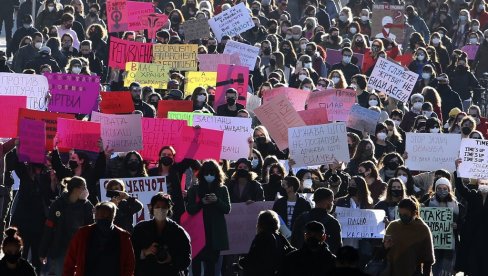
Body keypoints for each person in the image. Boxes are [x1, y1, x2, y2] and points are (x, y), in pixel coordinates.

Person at [39, 177, 94, 276]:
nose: (86, 190)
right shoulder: (58, 204)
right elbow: (49, 228)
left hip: (79, 250)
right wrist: (43, 251)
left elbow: (91, 227)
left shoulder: (87, 206)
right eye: (83, 187)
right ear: (75, 189)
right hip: (60, 250)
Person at [63, 201, 135, 276]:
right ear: (113, 216)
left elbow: (69, 262)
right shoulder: (123, 236)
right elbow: (130, 265)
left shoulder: (83, 233)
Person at [187, 160, 231, 276]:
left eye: (212, 173)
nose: (209, 176)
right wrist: (202, 202)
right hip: (198, 232)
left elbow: (227, 209)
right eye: (206, 173)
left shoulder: (222, 189)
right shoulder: (194, 189)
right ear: (202, 174)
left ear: (217, 174)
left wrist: (216, 201)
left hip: (214, 233)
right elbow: (190, 210)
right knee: (196, 263)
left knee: (211, 265)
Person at [132, 193, 191, 276]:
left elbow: (186, 260)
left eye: (164, 207)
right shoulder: (140, 229)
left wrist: (171, 258)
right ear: (151, 208)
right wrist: (145, 252)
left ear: (169, 209)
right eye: (157, 207)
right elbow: (130, 255)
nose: (160, 209)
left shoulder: (178, 231)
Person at [383, 197, 435, 276]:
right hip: (392, 271)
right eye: (400, 214)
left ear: (414, 213)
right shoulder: (393, 226)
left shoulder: (422, 229)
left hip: (414, 272)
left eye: (405, 215)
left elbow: (428, 259)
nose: (402, 217)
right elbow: (383, 253)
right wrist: (385, 247)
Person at [148, 146, 201, 223]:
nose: (166, 157)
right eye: (164, 154)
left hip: (175, 210)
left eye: (169, 155)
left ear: (173, 157)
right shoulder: (151, 172)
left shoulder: (177, 169)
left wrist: (194, 140)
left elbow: (190, 158)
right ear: (159, 157)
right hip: (157, 209)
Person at [454, 159, 488, 275]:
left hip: (486, 241)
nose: (484, 185)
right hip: (472, 239)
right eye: (482, 183)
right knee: (472, 268)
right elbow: (460, 188)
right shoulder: (473, 195)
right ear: (478, 183)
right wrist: (458, 169)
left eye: (486, 183)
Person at [422, 177, 461, 276]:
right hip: (433, 243)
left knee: (446, 270)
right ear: (435, 189)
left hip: (449, 243)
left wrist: (457, 225)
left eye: (445, 189)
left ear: (449, 190)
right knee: (435, 268)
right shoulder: (427, 203)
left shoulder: (457, 205)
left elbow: (462, 222)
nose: (442, 191)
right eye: (439, 188)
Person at [238, 210, 294, 276]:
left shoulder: (262, 237)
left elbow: (253, 258)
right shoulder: (280, 237)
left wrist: (241, 262)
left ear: (261, 223)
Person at [291, 188, 342, 254]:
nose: (332, 204)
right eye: (332, 201)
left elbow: (293, 242)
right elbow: (337, 247)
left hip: (302, 260)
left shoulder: (301, 218)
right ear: (328, 201)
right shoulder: (333, 223)